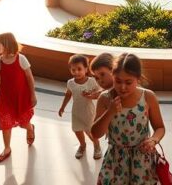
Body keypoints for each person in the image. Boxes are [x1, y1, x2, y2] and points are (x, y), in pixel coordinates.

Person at [92, 53, 166, 185]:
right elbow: (95, 133)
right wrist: (110, 111)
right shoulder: (105, 98)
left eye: (128, 82)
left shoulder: (148, 97)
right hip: (115, 160)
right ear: (112, 76)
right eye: (118, 81)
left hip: (142, 159)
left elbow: (160, 127)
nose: (122, 87)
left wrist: (153, 140)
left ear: (138, 79)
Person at [0, 32, 36, 163]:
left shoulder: (21, 59)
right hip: (5, 99)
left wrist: (33, 94)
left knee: (23, 123)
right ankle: (7, 148)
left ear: (6, 45)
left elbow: (29, 78)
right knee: (6, 125)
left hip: (21, 97)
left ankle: (30, 128)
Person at [58, 54, 102, 160]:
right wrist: (62, 107)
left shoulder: (92, 81)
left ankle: (97, 146)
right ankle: (82, 145)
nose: (76, 72)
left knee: (91, 131)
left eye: (79, 69)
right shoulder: (71, 83)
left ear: (86, 69)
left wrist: (92, 95)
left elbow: (101, 93)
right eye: (73, 70)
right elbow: (68, 94)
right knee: (77, 130)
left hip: (89, 112)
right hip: (76, 112)